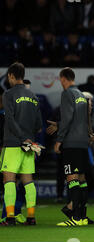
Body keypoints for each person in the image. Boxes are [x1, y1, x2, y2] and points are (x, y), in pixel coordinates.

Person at [0, 62, 42, 226]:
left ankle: (10, 217)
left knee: (8, 180)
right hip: (29, 145)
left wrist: (21, 136)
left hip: (12, 143)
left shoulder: (8, 94)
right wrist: (28, 138)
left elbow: (9, 120)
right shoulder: (33, 96)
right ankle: (31, 217)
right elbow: (39, 125)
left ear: (11, 76)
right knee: (28, 181)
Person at [55, 68, 92, 227]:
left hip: (71, 142)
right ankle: (82, 216)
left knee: (72, 179)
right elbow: (86, 118)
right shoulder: (82, 95)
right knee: (82, 180)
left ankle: (75, 218)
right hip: (83, 142)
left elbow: (67, 117)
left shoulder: (67, 94)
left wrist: (59, 139)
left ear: (63, 79)